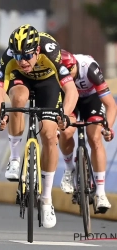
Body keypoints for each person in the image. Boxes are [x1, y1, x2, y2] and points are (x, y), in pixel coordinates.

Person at [0, 24, 79, 228]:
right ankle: (14, 160)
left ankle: (47, 200)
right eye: (17, 56)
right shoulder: (8, 58)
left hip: (47, 82)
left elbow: (71, 91)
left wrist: (64, 115)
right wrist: (0, 115)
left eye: (27, 56)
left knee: (49, 135)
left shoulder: (51, 51)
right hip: (21, 82)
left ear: (37, 51)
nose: (22, 61)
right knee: (18, 100)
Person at [59, 49, 116, 213]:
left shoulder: (89, 68)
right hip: (70, 100)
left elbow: (111, 105)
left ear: (75, 65)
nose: (68, 77)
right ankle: (69, 169)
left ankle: (100, 192)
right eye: (64, 74)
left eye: (70, 72)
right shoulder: (59, 74)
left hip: (91, 99)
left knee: (95, 138)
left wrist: (108, 127)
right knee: (66, 131)